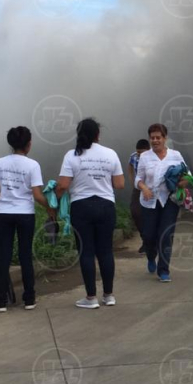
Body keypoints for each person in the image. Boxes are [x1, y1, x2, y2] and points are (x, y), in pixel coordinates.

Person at [57, 117, 125, 308]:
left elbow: (63, 185)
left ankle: (91, 298)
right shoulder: (110, 154)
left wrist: (55, 197)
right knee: (105, 251)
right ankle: (109, 295)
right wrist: (101, 180)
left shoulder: (72, 155)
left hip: (81, 207)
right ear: (98, 134)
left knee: (86, 252)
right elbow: (120, 184)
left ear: (79, 134)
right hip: (106, 206)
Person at [0, 126, 54, 312]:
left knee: (4, 256)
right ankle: (29, 299)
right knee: (25, 255)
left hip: (3, 214)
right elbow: (37, 195)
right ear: (28, 144)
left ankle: (1, 301)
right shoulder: (32, 165)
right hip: (25, 214)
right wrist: (50, 208)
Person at [136, 123, 189, 283]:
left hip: (169, 201)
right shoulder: (145, 157)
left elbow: (187, 174)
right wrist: (144, 188)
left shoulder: (175, 155)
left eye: (158, 137)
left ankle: (164, 270)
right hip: (149, 201)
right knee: (149, 235)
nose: (155, 140)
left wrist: (183, 182)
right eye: (152, 138)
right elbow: (138, 178)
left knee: (166, 235)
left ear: (165, 138)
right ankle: (151, 256)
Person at [128, 138, 150, 254]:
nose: (140, 155)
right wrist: (132, 181)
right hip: (138, 187)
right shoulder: (134, 156)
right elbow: (130, 167)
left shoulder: (154, 157)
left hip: (151, 188)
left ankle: (151, 241)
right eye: (138, 153)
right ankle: (144, 239)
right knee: (135, 211)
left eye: (142, 153)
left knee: (150, 214)